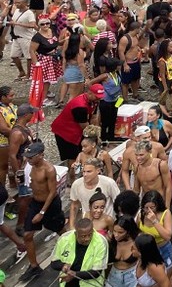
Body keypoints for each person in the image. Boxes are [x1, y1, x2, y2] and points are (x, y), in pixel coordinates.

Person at [22, 140, 67, 280]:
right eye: (27, 157)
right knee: (27, 235)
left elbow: (52, 192)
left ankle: (72, 252)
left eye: (31, 157)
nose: (28, 160)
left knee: (61, 231)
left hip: (50, 205)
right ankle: (34, 266)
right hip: (35, 202)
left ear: (41, 155)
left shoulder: (49, 169)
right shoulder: (30, 166)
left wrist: (42, 213)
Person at [51, 217, 110, 287]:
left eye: (90, 234)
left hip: (90, 284)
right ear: (76, 233)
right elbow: (54, 263)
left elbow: (96, 272)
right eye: (83, 236)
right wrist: (63, 265)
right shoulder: (64, 239)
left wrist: (75, 275)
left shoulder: (101, 242)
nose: (87, 238)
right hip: (67, 282)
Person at [51, 84, 103, 162]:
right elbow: (85, 127)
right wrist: (95, 137)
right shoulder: (80, 106)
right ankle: (72, 172)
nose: (99, 99)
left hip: (77, 128)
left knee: (84, 149)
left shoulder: (94, 100)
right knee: (73, 156)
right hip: (65, 131)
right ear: (89, 93)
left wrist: (96, 131)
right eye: (97, 97)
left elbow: (94, 117)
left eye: (100, 97)